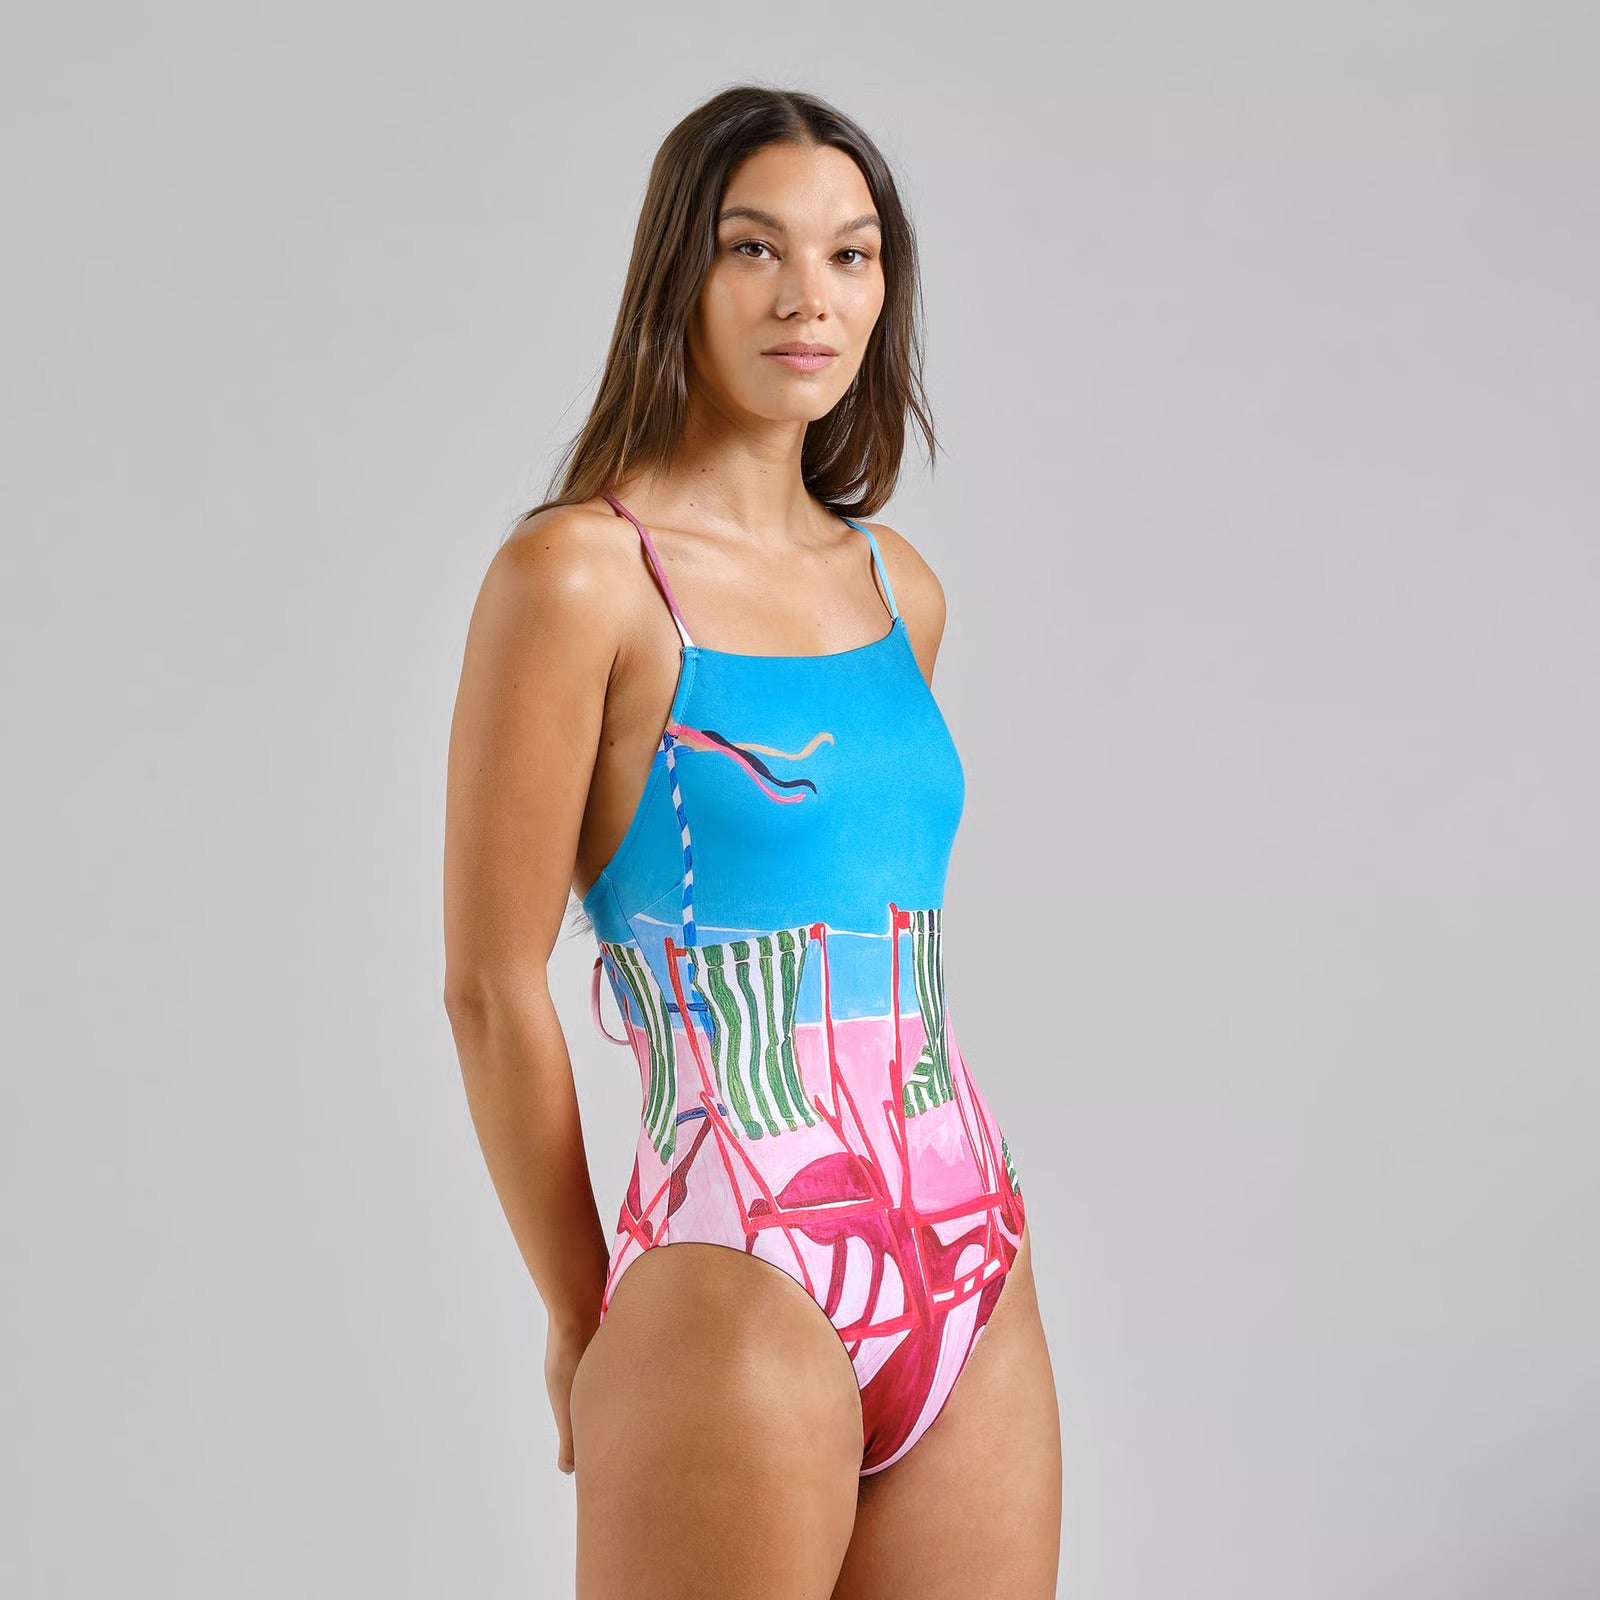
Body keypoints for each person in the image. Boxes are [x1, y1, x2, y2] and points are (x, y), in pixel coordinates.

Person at [443, 84, 1063, 1598]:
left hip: (970, 1254)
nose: (808, 296)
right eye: (754, 248)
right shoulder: (582, 578)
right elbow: (491, 987)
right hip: (735, 1264)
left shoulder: (897, 587)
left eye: (851, 255)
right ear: (681, 273)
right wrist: (579, 1307)